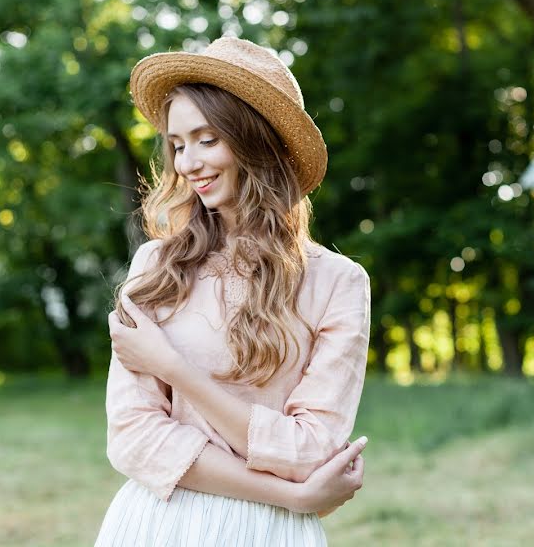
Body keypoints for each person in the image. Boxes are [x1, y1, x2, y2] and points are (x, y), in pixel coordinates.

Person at [93, 36, 372, 546]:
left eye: (207, 139)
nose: (187, 163)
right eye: (177, 145)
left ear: (256, 142)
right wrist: (291, 496)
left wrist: (174, 370)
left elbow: (311, 450)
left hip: (268, 536)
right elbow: (134, 440)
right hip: (161, 523)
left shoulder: (337, 282)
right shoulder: (156, 266)